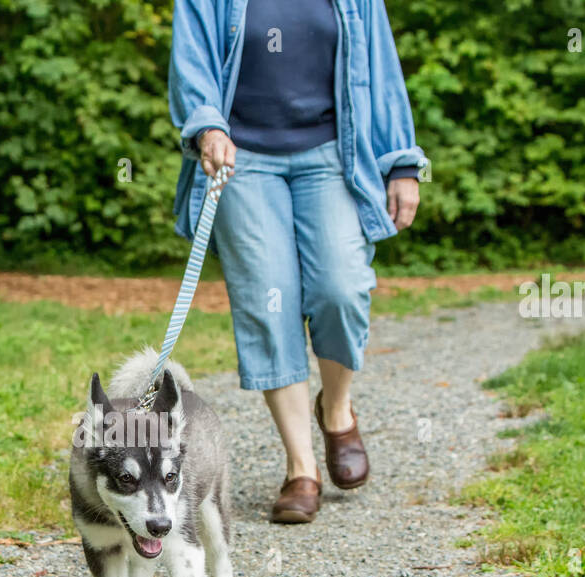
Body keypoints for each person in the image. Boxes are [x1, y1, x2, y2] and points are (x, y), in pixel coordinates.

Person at [169, 0, 425, 522]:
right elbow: (191, 59)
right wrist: (207, 127)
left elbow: (381, 66)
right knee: (268, 301)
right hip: (242, 159)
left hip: (333, 154)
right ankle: (300, 467)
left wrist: (401, 161)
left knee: (342, 287)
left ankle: (335, 410)